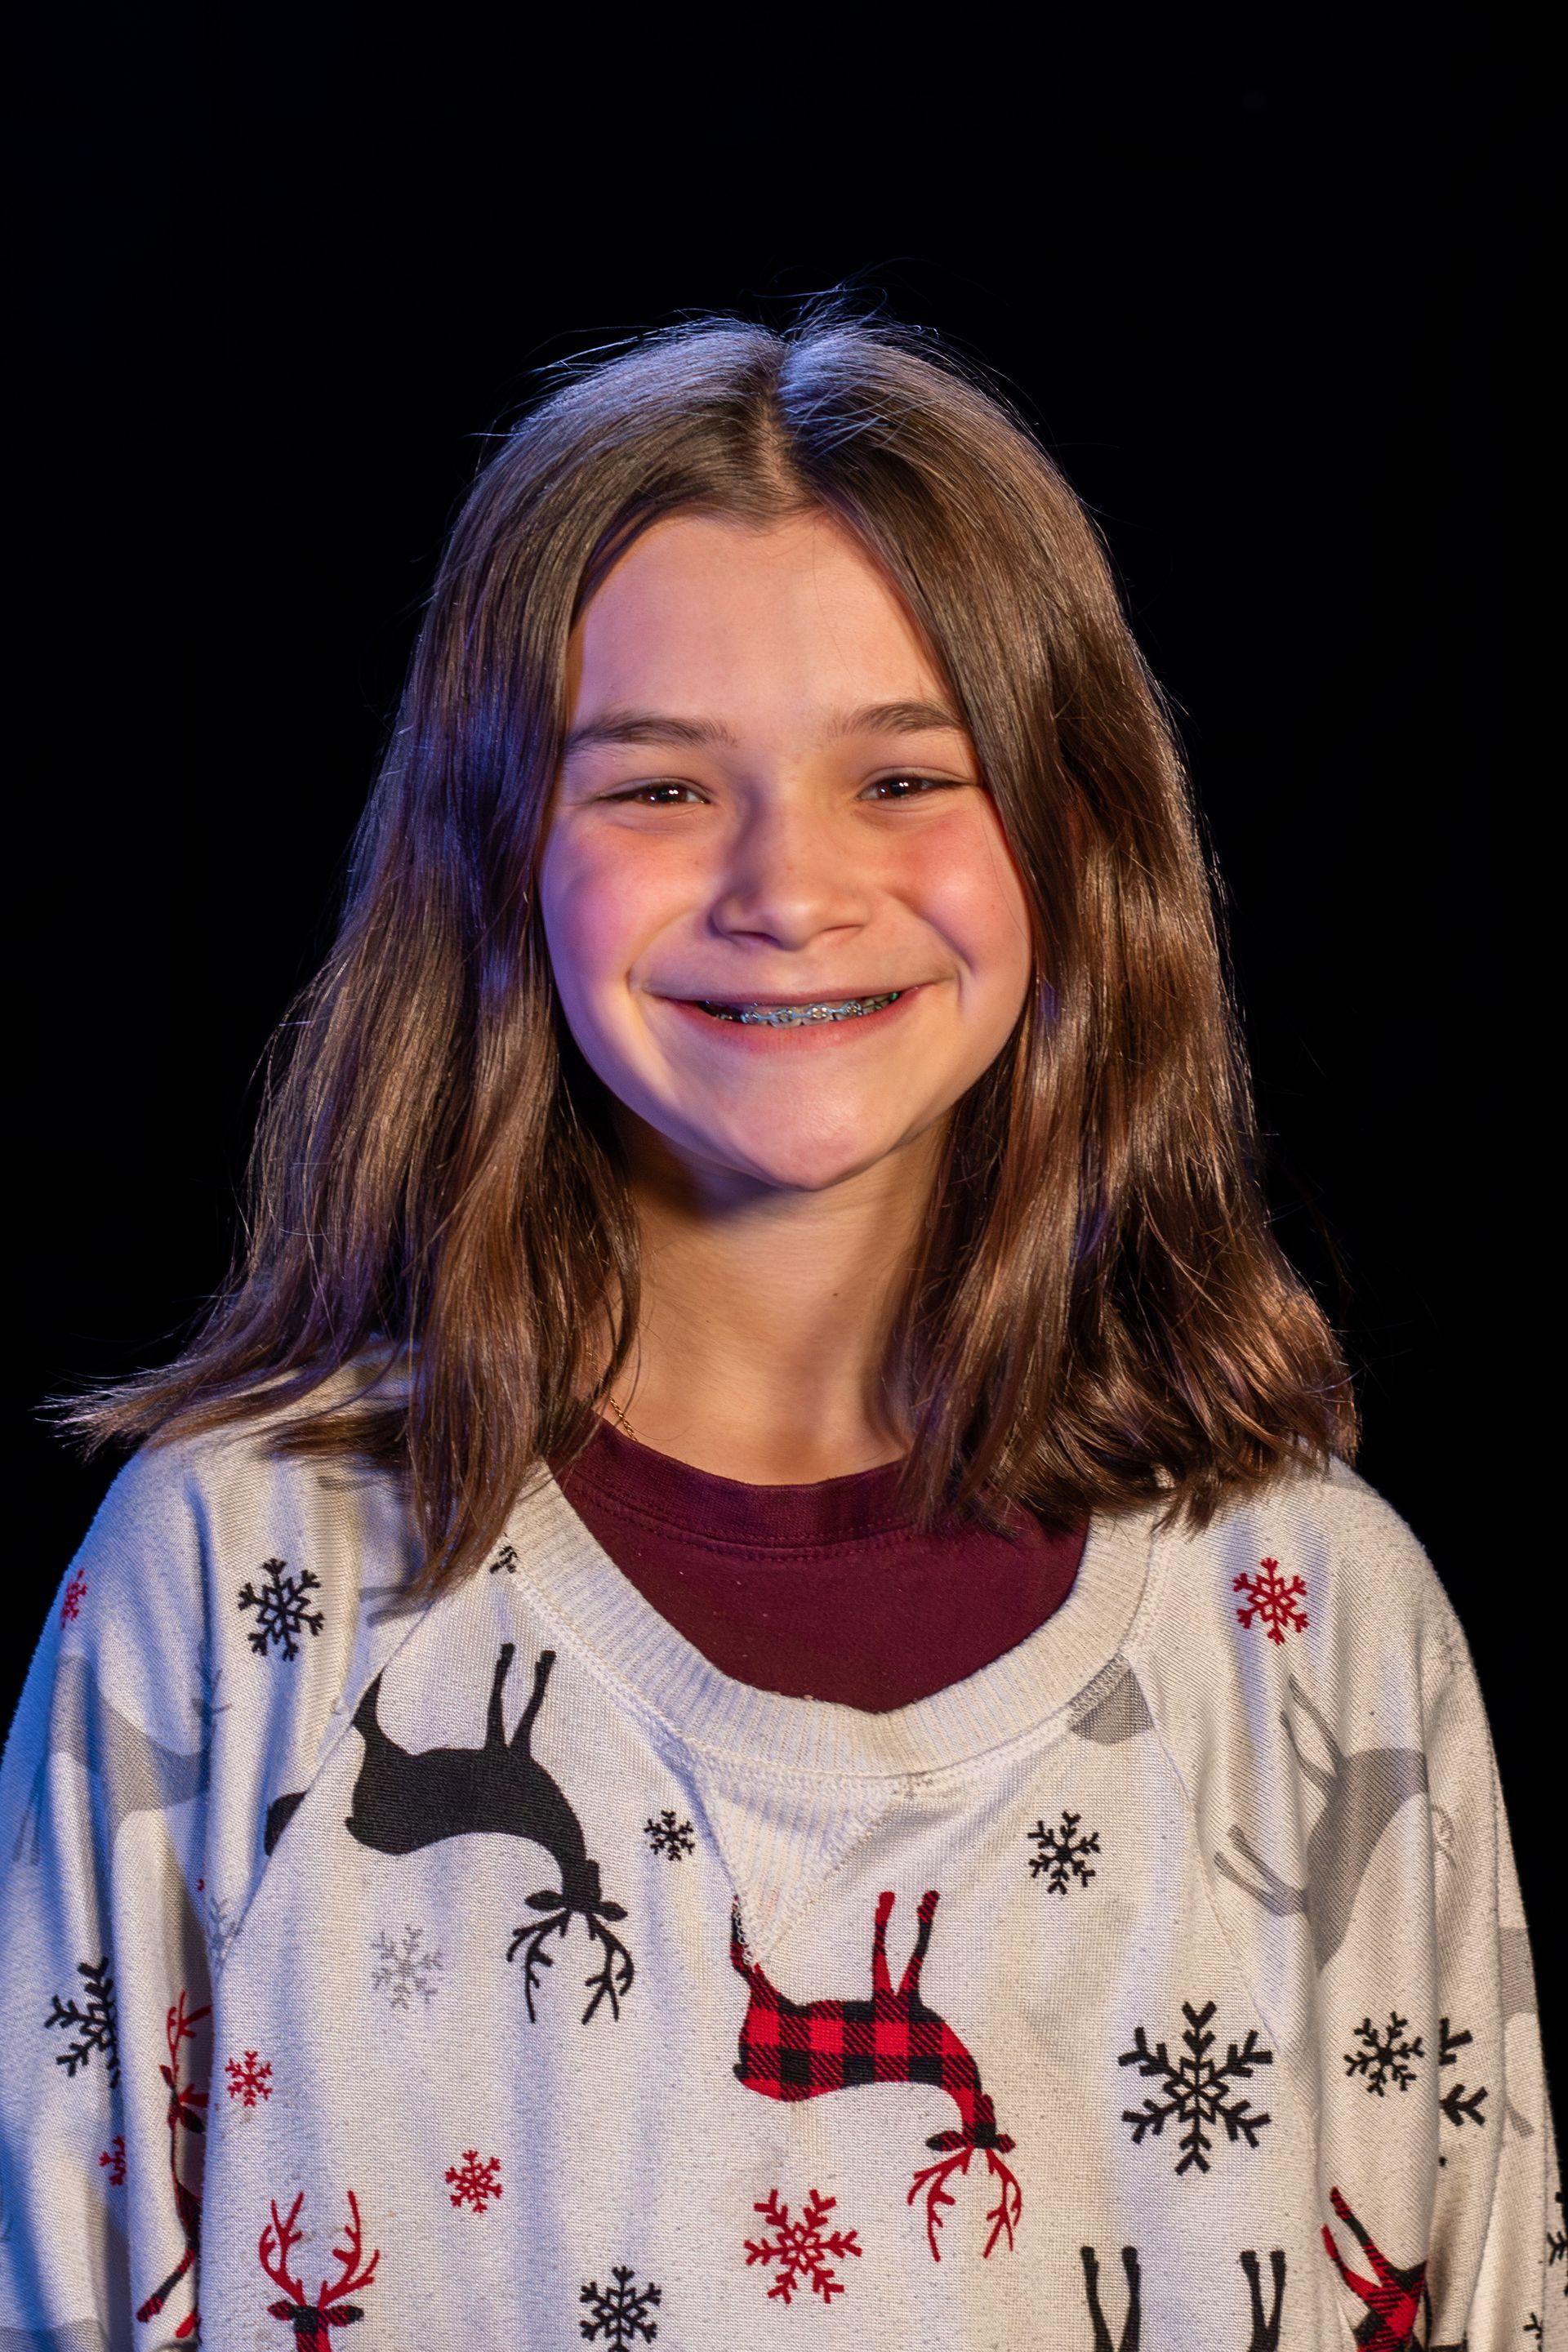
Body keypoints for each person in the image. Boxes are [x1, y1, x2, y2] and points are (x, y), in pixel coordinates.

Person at [1, 309, 1557, 2350]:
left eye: (905, 775)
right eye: (658, 785)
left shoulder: (1322, 1630)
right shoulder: (229, 1593)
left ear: (1078, 840)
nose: (788, 889)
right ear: (495, 852)